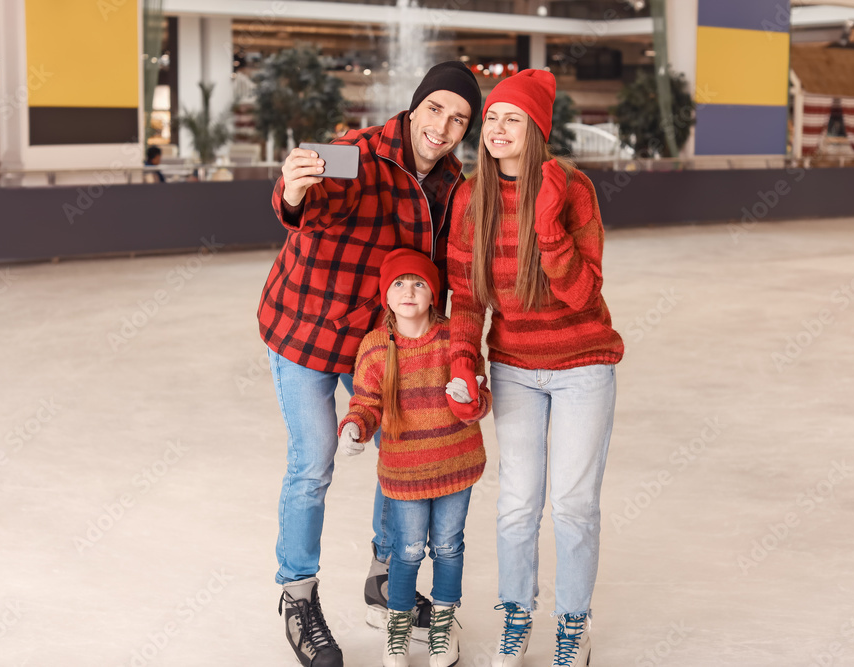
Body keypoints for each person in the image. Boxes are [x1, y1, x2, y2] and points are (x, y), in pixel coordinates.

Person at [258, 61, 482, 667]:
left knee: (400, 453)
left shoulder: (454, 186)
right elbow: (300, 202)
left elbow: (449, 275)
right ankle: (298, 596)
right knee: (314, 463)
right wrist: (295, 187)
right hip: (305, 329)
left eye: (459, 118)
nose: (443, 126)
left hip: (378, 346)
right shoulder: (358, 153)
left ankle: (386, 573)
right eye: (435, 109)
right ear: (414, 109)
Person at [446, 70, 624, 667]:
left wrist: (547, 227)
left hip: (582, 364)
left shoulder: (573, 187)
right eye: (491, 118)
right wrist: (462, 361)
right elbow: (467, 297)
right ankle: (516, 616)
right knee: (518, 503)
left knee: (574, 504)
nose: (496, 129)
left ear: (536, 130)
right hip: (515, 366)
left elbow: (583, 292)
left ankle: (574, 623)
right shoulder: (473, 197)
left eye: (511, 119)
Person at [338, 248, 490, 667]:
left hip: (456, 466)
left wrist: (470, 398)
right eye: (399, 283)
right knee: (405, 551)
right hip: (403, 476)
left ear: (434, 294)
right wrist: (354, 427)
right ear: (385, 295)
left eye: (419, 283)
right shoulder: (373, 348)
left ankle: (442, 625)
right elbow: (366, 404)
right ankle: (398, 628)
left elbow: (481, 397)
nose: (409, 291)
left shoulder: (453, 340)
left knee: (447, 546)